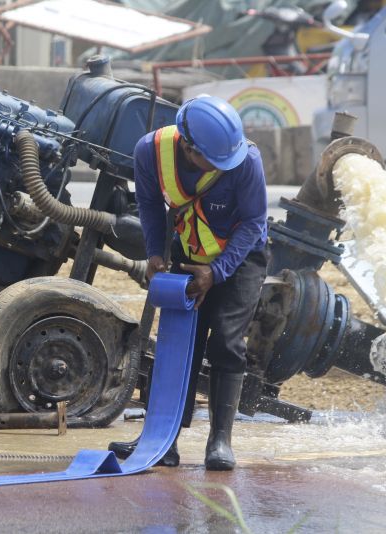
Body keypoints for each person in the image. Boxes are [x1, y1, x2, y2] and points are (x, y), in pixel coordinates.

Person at [109, 95, 268, 470]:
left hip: (242, 258)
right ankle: (163, 440)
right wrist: (153, 255)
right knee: (179, 344)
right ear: (188, 147)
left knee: (227, 340)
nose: (222, 166)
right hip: (189, 252)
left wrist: (217, 272)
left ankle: (220, 442)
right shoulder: (150, 152)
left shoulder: (247, 161)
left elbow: (254, 222)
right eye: (213, 160)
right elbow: (148, 204)